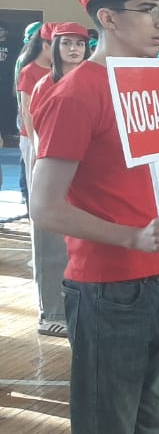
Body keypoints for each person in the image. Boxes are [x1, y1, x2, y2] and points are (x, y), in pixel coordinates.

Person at [31, 0, 159, 434]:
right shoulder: (76, 94)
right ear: (108, 18)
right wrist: (132, 239)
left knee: (146, 431)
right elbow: (44, 207)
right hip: (107, 293)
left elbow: (152, 192)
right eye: (148, 9)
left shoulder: (149, 83)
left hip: (156, 286)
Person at [27, 21, 90, 338]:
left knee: (78, 247)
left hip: (84, 175)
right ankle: (50, 312)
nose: (74, 49)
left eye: (79, 43)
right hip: (54, 171)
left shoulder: (91, 82)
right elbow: (38, 134)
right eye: (66, 43)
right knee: (51, 247)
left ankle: (78, 308)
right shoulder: (44, 84)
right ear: (54, 47)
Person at [16, 22, 55, 207]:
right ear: (45, 45)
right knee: (35, 186)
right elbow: (26, 110)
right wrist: (35, 142)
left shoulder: (57, 70)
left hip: (52, 135)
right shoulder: (29, 71)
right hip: (34, 135)